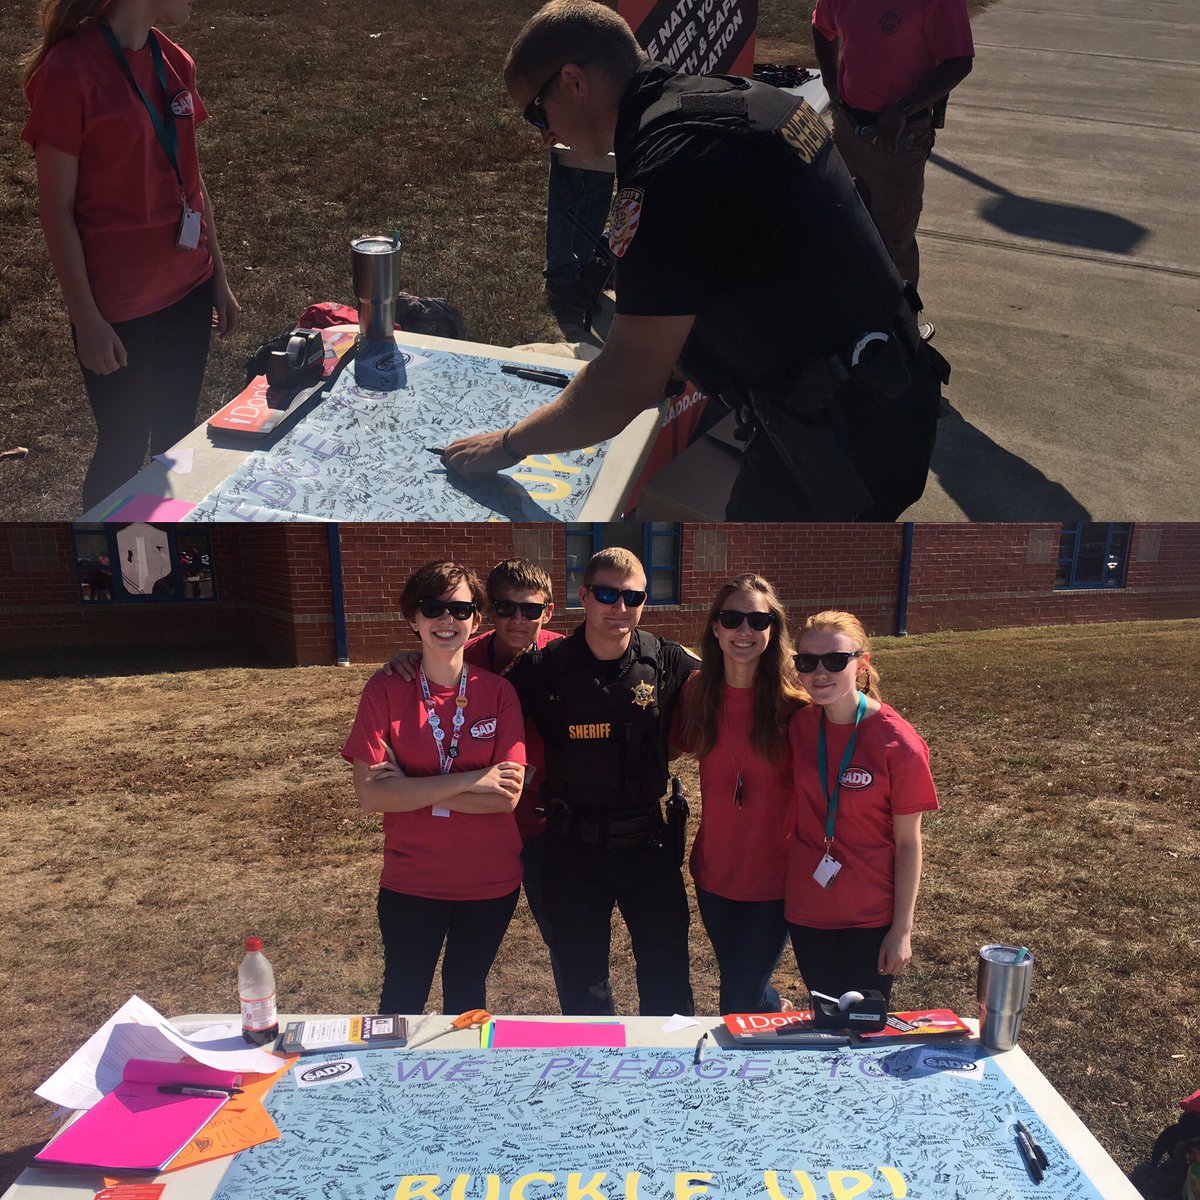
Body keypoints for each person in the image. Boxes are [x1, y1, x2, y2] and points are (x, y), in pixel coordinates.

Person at [440, 0, 949, 522]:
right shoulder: (747, 103)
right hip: (887, 397)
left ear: (573, 81)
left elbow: (625, 385)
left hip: (840, 445)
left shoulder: (672, 166)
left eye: (536, 114)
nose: (545, 135)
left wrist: (507, 445)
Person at [21, 0, 239, 512]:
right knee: (121, 448)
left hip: (187, 288)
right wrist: (87, 320)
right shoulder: (68, 73)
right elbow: (56, 210)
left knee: (177, 439)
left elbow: (192, 180)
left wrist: (218, 279)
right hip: (119, 307)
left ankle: (174, 545)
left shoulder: (175, 62)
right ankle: (104, 564)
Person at [506, 547, 699, 1016]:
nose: (621, 607)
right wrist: (412, 659)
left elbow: (739, 675)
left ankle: (673, 1078)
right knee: (581, 977)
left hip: (648, 845)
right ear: (584, 596)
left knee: (667, 972)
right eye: (608, 594)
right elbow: (477, 683)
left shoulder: (667, 660)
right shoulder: (542, 668)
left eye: (633, 597)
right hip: (573, 846)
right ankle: (594, 1070)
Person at [343, 561, 526, 1014]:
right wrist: (471, 779)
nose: (448, 620)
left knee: (466, 1000)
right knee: (401, 999)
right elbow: (371, 795)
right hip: (412, 882)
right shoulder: (385, 689)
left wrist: (409, 786)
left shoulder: (499, 692)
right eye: (433, 608)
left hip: (489, 882)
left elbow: (506, 799)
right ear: (413, 619)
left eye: (461, 610)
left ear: (476, 620)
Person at [785, 610, 939, 1004]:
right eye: (807, 661)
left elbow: (908, 843)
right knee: (826, 1024)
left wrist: (901, 930)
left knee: (863, 1031)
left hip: (870, 917)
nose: (821, 672)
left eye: (836, 660)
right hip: (808, 910)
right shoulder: (799, 726)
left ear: (862, 664)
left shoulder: (898, 743)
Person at [672, 574, 808, 1015]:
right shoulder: (696, 693)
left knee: (735, 1000)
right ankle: (774, 1006)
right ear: (715, 627)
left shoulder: (797, 704)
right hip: (714, 874)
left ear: (773, 629)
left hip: (774, 880)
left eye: (757, 620)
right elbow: (670, 746)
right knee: (740, 978)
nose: (744, 631)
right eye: (732, 618)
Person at [812, 0, 974, 290]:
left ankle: (902, 327)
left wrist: (903, 109)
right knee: (841, 224)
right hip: (847, 126)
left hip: (899, 138)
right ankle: (852, 317)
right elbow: (821, 27)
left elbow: (959, 60)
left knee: (893, 239)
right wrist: (831, 83)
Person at [462, 559, 563, 985]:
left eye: (531, 610)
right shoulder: (465, 660)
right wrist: (406, 660)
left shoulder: (567, 658)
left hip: (549, 825)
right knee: (469, 952)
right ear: (489, 610)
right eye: (505, 608)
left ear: (549, 612)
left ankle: (588, 1039)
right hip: (482, 825)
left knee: (568, 945)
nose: (518, 620)